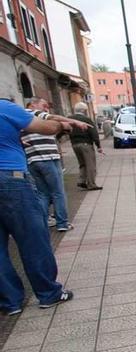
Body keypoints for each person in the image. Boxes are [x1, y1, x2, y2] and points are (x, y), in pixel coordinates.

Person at [0, 99, 75, 315]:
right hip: (10, 179)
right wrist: (63, 125)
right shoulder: (5, 107)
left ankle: (10, 301)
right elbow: (45, 127)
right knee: (33, 238)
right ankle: (48, 293)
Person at [20, 97, 87, 232]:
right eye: (44, 105)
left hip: (32, 160)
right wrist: (75, 121)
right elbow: (54, 117)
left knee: (43, 193)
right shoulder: (33, 113)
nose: (46, 109)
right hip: (48, 158)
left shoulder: (21, 120)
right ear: (33, 104)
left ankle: (42, 222)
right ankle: (62, 222)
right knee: (58, 192)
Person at [68, 102, 104, 191]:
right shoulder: (86, 119)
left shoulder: (69, 119)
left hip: (74, 144)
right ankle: (91, 184)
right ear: (84, 110)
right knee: (90, 164)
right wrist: (98, 145)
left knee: (82, 163)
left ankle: (81, 180)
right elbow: (94, 133)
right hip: (86, 144)